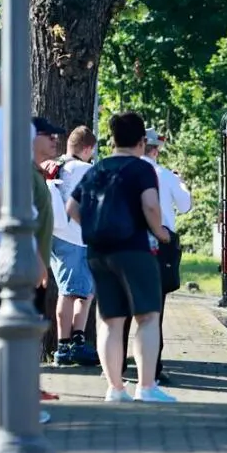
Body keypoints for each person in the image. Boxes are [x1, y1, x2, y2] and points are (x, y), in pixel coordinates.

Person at [67, 112, 175, 402]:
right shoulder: (141, 169)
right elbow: (151, 206)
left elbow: (72, 207)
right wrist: (161, 232)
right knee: (148, 317)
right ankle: (147, 386)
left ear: (112, 139)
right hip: (134, 249)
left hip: (98, 252)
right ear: (142, 141)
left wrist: (94, 228)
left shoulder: (98, 168)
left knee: (110, 320)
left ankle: (115, 389)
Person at [121, 128, 192, 385]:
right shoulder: (164, 175)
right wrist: (181, 182)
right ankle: (152, 368)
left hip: (125, 242)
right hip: (159, 245)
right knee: (154, 310)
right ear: (156, 149)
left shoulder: (122, 171)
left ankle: (117, 365)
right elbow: (185, 206)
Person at [43, 125, 99, 366]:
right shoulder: (85, 170)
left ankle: (76, 340)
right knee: (71, 293)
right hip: (76, 237)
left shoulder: (56, 166)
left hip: (57, 235)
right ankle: (65, 347)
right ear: (87, 148)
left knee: (82, 291)